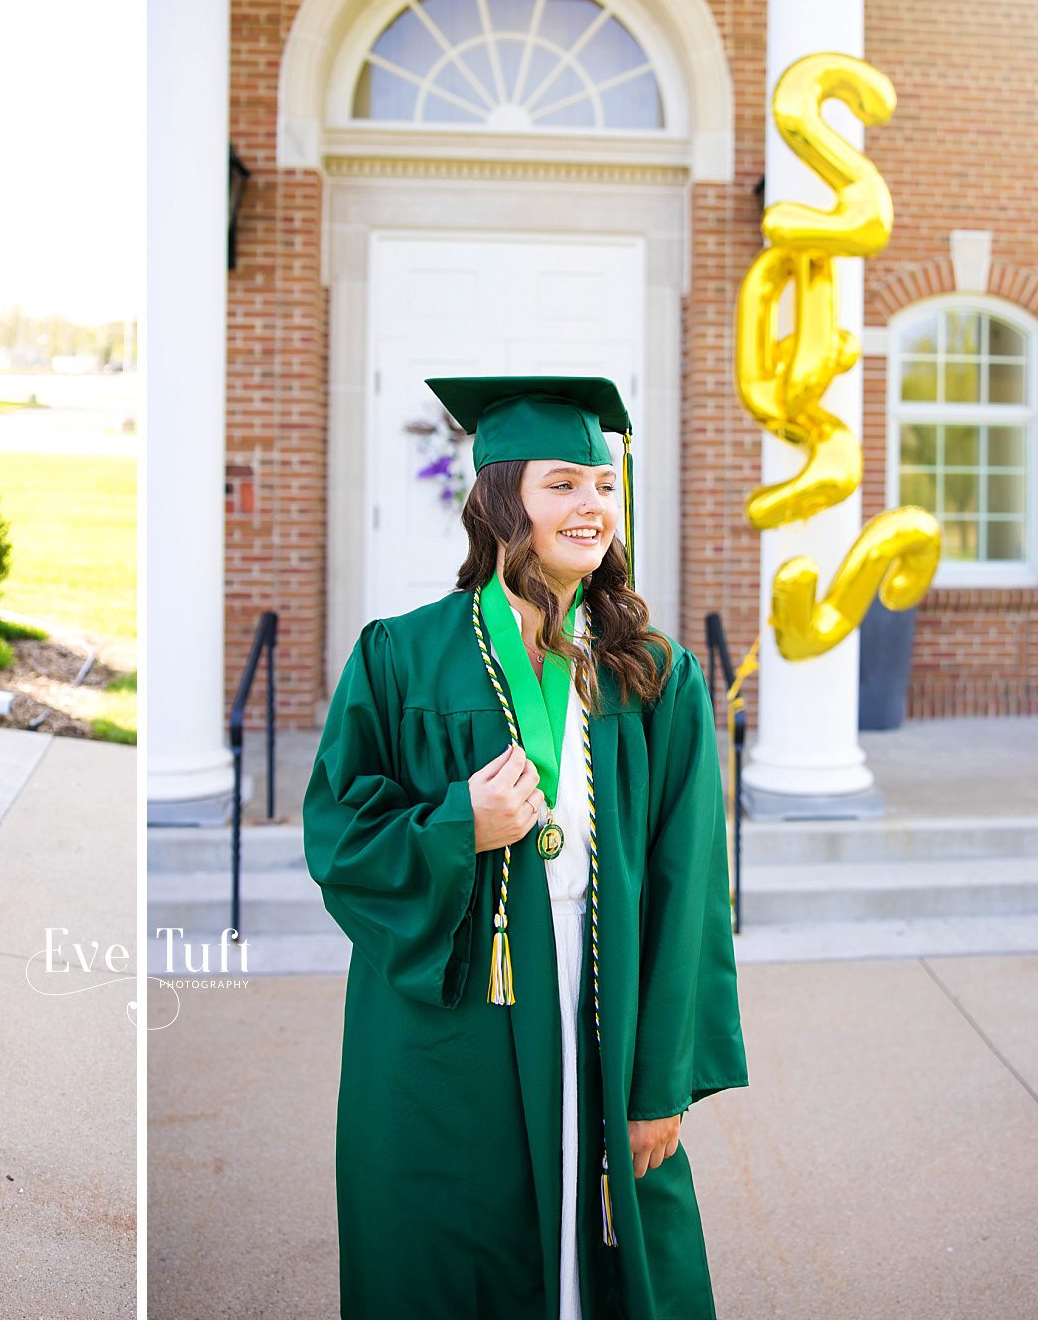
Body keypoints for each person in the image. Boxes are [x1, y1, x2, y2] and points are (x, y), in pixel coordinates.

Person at [302, 374, 747, 1315]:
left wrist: (662, 1077)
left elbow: (691, 887)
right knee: (451, 1235)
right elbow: (339, 834)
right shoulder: (401, 655)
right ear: (504, 499)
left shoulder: (655, 676)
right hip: (454, 1016)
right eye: (563, 484)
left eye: (603, 484)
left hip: (602, 1008)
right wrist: (458, 827)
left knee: (606, 1263)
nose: (592, 505)